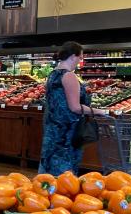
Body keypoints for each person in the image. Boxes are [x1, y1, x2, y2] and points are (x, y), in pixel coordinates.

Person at [39, 41, 106, 175]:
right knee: (64, 173)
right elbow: (75, 107)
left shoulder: (53, 74)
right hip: (66, 131)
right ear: (73, 56)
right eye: (80, 57)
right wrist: (98, 111)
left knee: (49, 167)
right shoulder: (69, 76)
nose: (80, 61)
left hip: (52, 127)